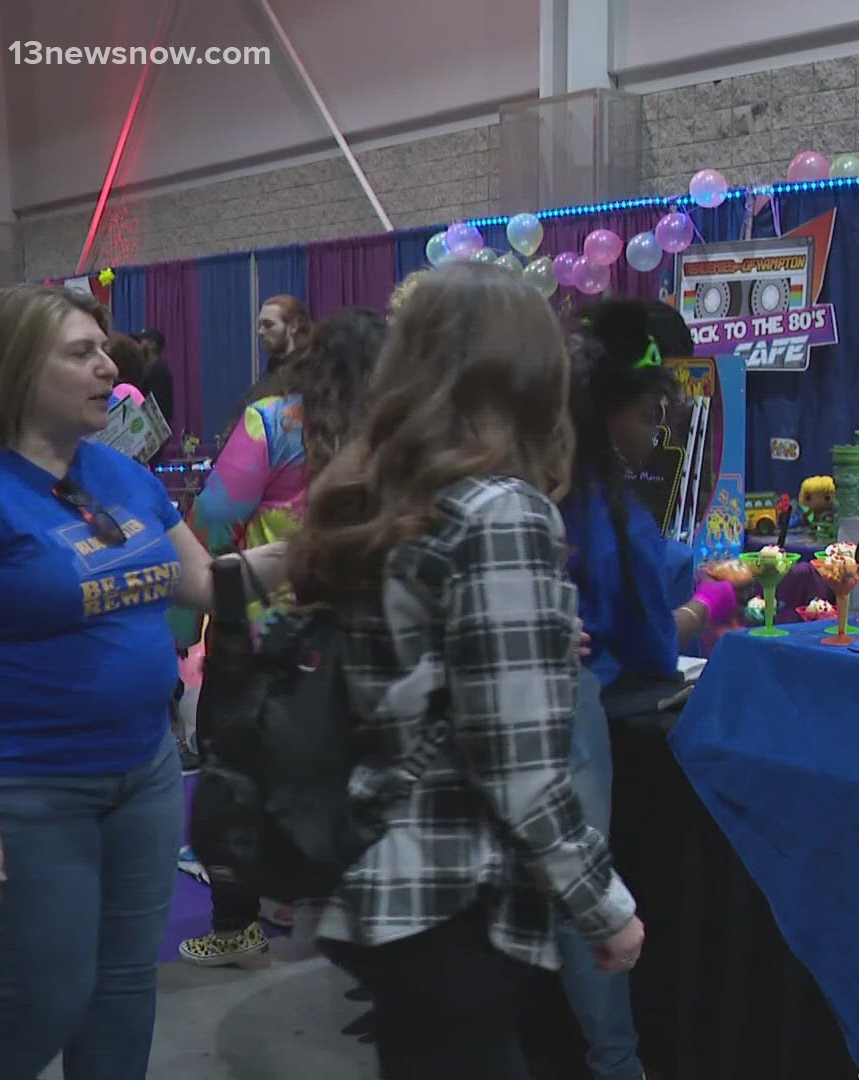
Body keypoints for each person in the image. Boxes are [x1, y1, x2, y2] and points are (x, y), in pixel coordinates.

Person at [293, 262, 643, 1079]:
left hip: (387, 881)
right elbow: (516, 762)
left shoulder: (383, 493)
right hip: (456, 895)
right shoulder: (501, 511)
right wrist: (604, 907)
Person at [0, 284, 284, 1079]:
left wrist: (324, 547)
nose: (109, 369)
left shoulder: (118, 474)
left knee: (120, 991)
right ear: (11, 370)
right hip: (27, 782)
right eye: (81, 353)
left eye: (103, 349)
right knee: (43, 996)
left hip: (141, 769)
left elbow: (204, 585)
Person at [557, 297, 739, 1080]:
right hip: (576, 714)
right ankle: (617, 1060)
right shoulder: (606, 513)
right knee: (584, 887)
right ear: (611, 414)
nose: (655, 432)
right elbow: (653, 650)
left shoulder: (558, 493)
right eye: (646, 415)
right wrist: (713, 606)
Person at [175, 306, 387, 969]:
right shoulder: (400, 434)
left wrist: (187, 624)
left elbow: (213, 519)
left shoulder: (272, 423)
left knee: (238, 771)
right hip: (369, 630)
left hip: (268, 627)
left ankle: (239, 925)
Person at [256, 294, 313, 376]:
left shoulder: (315, 369)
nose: (260, 331)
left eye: (268, 324)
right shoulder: (273, 365)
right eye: (261, 325)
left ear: (294, 326)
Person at [134, 328, 174, 421]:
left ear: (152, 345)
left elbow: (157, 406)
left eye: (142, 341)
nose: (138, 345)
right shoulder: (146, 369)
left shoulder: (159, 371)